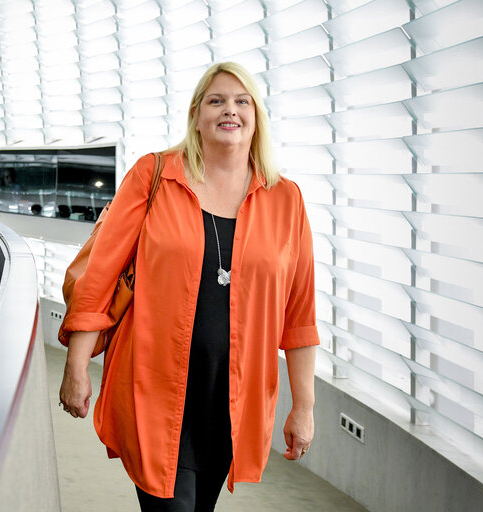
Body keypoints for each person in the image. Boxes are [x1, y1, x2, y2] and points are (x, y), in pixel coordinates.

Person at [58, 62, 319, 511]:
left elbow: (299, 315)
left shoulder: (286, 199)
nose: (229, 110)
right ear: (197, 114)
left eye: (242, 101)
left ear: (257, 117)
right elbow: (99, 276)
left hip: (232, 401)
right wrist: (77, 365)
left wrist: (304, 407)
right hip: (153, 389)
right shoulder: (154, 175)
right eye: (216, 100)